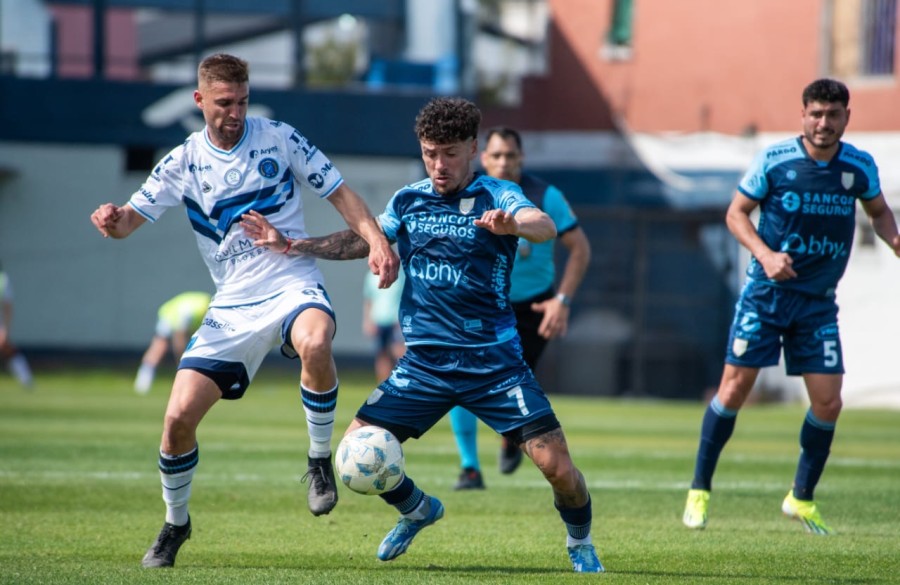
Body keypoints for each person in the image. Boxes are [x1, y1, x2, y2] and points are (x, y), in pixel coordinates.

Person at [241, 97, 604, 573]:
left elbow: (545, 226)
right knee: (353, 456)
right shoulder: (409, 199)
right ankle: (417, 509)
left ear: (473, 148)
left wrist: (512, 223)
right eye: (430, 152)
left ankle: (579, 541)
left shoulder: (498, 195)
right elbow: (365, 239)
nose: (438, 164)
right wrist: (291, 245)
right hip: (424, 366)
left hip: (494, 364)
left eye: (450, 153)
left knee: (559, 470)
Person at [89, 53, 398, 568]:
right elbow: (126, 224)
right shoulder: (182, 161)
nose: (235, 113)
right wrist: (111, 217)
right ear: (200, 100)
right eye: (225, 103)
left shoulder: (279, 137)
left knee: (316, 341)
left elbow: (341, 193)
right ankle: (175, 524)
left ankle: (319, 460)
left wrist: (377, 242)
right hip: (231, 304)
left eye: (243, 101)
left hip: (292, 281)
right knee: (176, 422)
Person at [681, 78, 900, 535]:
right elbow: (735, 213)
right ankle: (699, 488)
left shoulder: (859, 166)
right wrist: (765, 255)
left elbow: (878, 211)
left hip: (818, 304)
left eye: (833, 114)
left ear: (846, 117)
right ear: (802, 114)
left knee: (828, 401)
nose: (823, 123)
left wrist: (895, 241)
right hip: (766, 296)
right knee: (734, 391)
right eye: (816, 114)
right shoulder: (775, 160)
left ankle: (800, 498)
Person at [449, 127, 592, 490]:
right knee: (460, 379)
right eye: (496, 155)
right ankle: (469, 467)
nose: (503, 162)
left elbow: (580, 248)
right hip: (478, 305)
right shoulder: (465, 194)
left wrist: (562, 301)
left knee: (514, 384)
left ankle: (508, 437)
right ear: (483, 157)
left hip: (530, 308)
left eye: (510, 156)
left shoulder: (546, 196)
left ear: (521, 158)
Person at [134, 291, 212, 394]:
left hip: (186, 318)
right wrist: (183, 362)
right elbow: (179, 340)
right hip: (169, 315)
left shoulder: (210, 308)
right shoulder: (188, 312)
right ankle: (143, 382)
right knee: (160, 346)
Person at [362, 269, 405, 381]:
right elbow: (368, 300)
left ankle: (402, 383)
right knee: (382, 354)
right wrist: (368, 320)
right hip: (379, 319)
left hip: (396, 320)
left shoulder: (401, 276)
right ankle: (383, 385)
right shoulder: (371, 277)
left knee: (399, 352)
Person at [0, 263, 34, 389]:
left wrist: (5, 330)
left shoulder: (3, 280)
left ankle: (26, 379)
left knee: (8, 349)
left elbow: (7, 307)